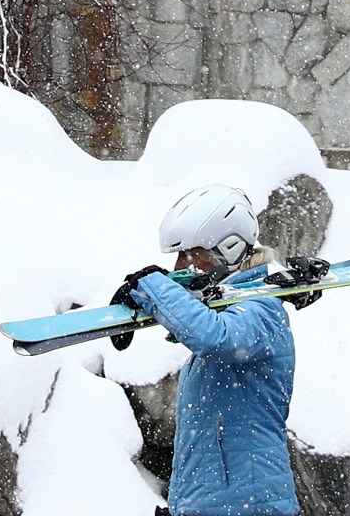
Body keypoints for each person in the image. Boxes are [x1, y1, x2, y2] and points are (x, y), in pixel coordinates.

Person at [116, 184, 326, 516]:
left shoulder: (262, 311)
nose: (179, 266)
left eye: (189, 253)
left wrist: (153, 288)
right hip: (212, 503)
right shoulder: (239, 310)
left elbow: (216, 337)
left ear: (227, 248)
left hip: (250, 506)